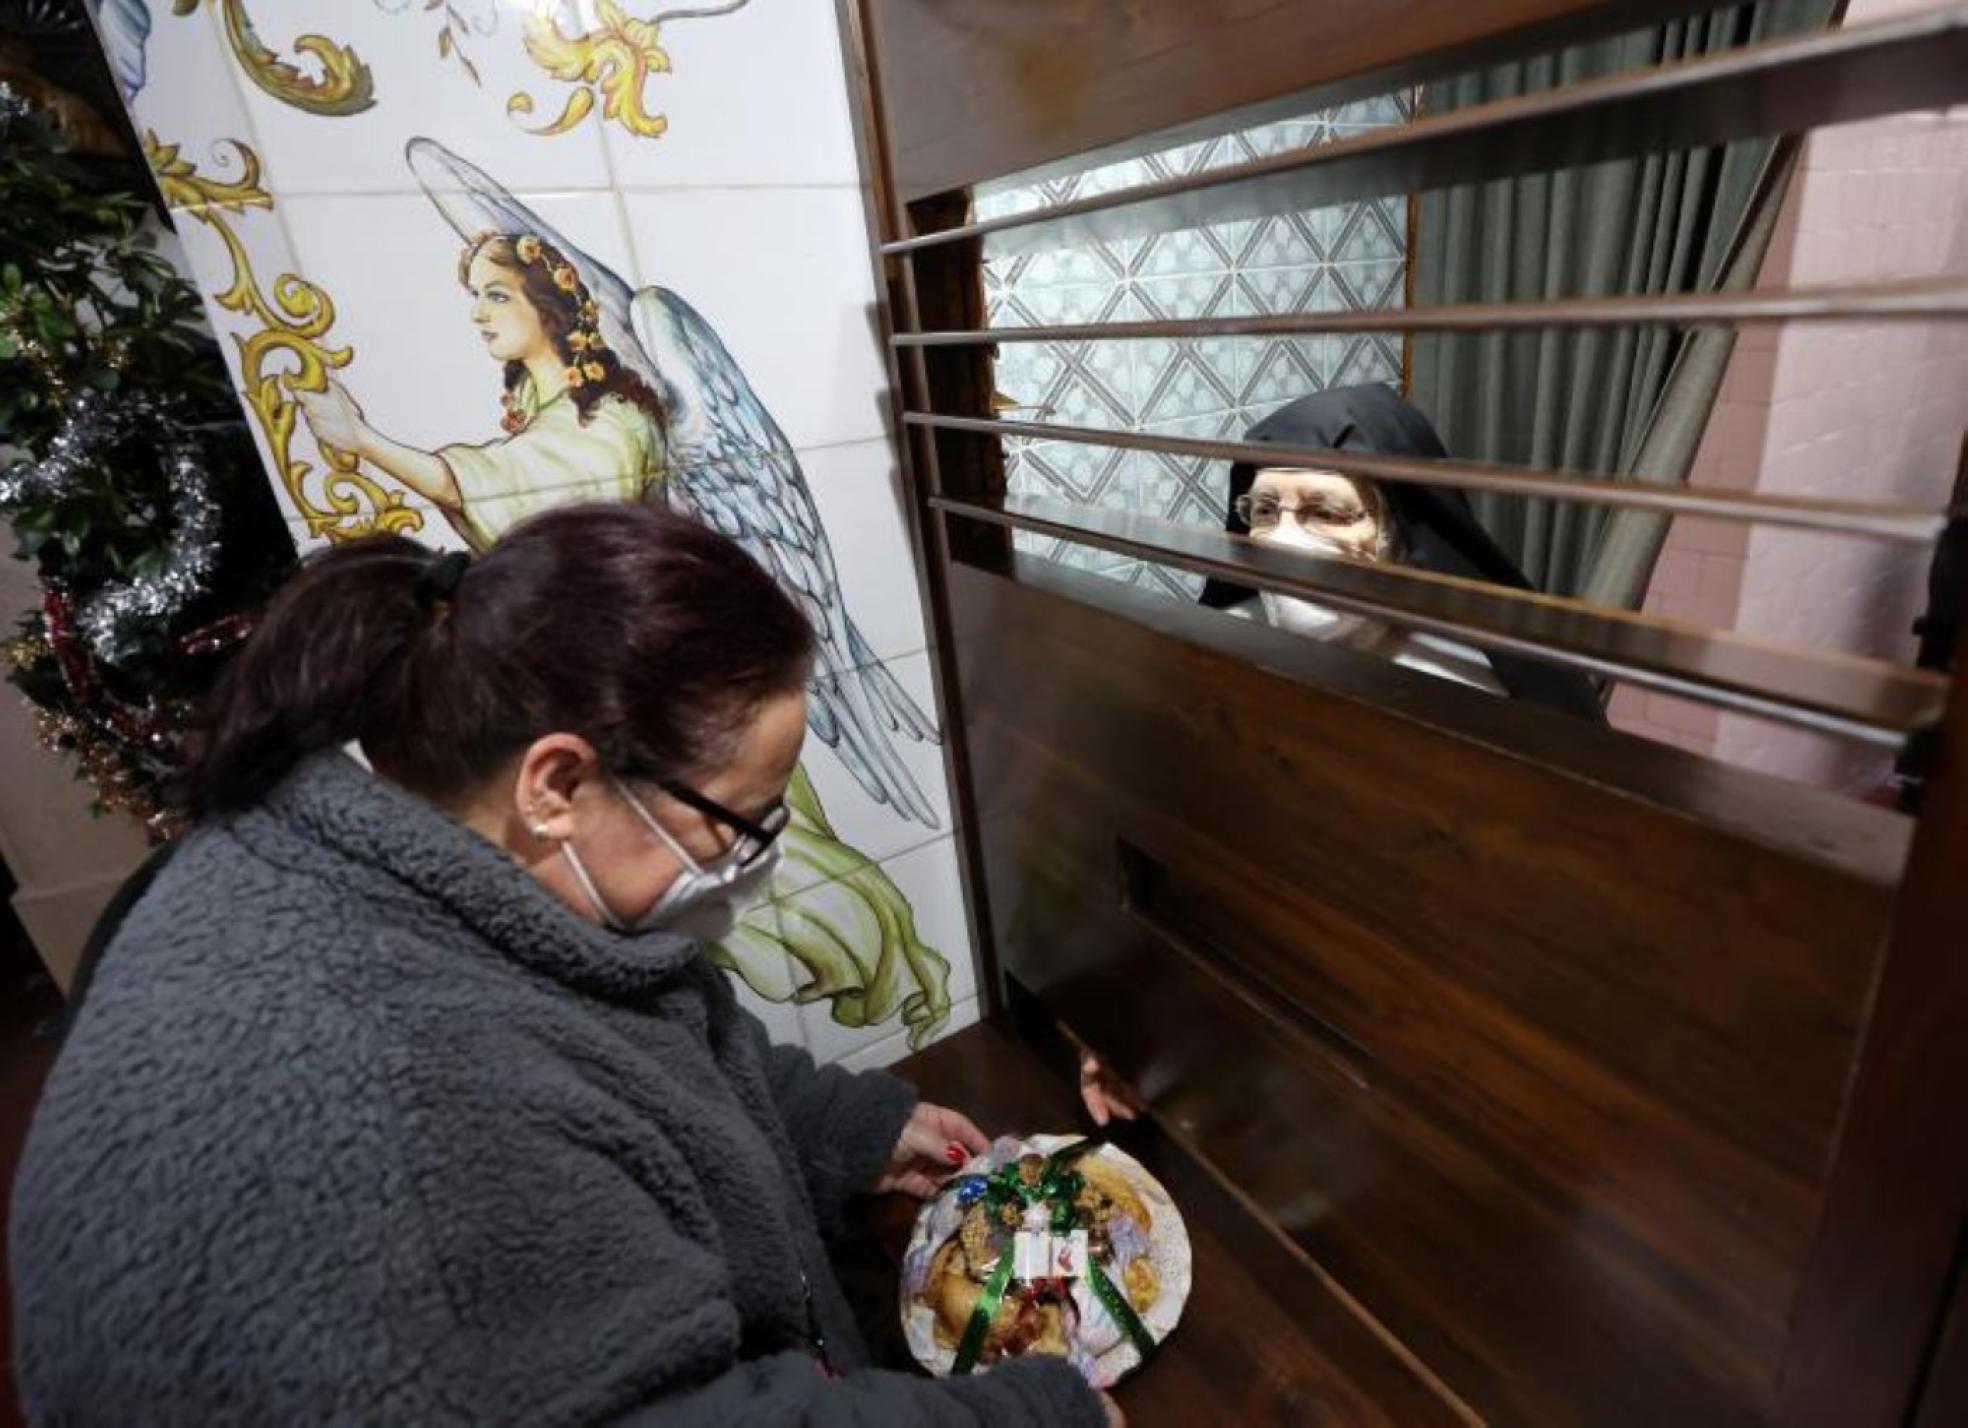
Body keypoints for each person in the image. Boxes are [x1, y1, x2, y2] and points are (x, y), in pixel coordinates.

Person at [9, 503, 1119, 1427]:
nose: (749, 863)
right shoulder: (394, 1115)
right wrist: (1036, 1413)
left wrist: (845, 1129)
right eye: (736, 820)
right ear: (557, 784)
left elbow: (634, 1041)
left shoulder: (411, 843)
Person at [1198, 384, 1605, 720]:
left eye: (1326, 512)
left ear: (1399, 532)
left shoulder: (1469, 690)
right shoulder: (1226, 643)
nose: (1283, 542)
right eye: (1265, 510)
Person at [296, 232, 669, 551]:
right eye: (476, 295)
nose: (478, 313)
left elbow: (488, 486)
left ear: (547, 307)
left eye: (497, 296)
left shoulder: (607, 421)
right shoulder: (538, 397)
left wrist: (363, 440)